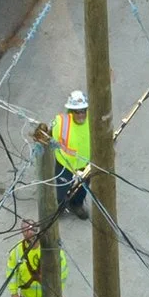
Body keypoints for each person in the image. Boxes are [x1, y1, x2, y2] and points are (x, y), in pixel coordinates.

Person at [51, 89, 91, 218]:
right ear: (71, 111)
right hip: (65, 163)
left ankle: (76, 205)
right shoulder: (61, 122)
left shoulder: (93, 120)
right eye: (77, 112)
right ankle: (60, 206)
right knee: (62, 188)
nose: (81, 115)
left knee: (82, 188)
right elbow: (49, 135)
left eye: (83, 111)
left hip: (85, 163)